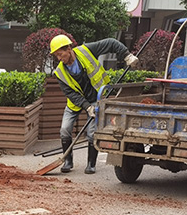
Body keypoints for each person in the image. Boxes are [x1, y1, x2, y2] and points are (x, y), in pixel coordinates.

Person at [50, 34, 139, 174]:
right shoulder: (60, 72)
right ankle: (68, 161)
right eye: (57, 56)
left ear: (69, 48)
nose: (59, 59)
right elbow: (71, 94)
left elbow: (110, 42)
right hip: (76, 103)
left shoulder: (86, 51)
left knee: (92, 133)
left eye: (61, 55)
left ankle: (91, 164)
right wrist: (87, 107)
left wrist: (127, 55)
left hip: (96, 98)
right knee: (64, 129)